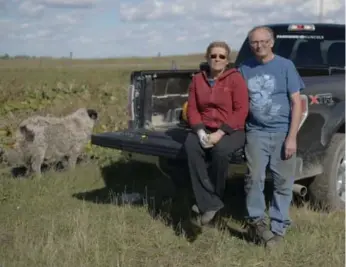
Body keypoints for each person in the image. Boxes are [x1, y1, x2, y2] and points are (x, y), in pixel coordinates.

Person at [238, 26, 305, 247]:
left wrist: (291, 137)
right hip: (256, 132)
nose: (259, 46)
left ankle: (278, 227)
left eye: (263, 41)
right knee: (253, 179)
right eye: (254, 43)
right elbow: (236, 100)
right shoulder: (245, 68)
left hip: (282, 132)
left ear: (272, 42)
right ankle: (257, 222)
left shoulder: (285, 66)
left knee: (283, 183)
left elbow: (297, 102)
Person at [184, 41, 249, 225]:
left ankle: (210, 201)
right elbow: (193, 109)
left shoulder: (235, 79)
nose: (217, 59)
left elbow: (241, 110)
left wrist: (220, 133)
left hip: (231, 128)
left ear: (227, 60)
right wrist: (199, 131)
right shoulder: (198, 79)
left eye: (221, 56)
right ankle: (211, 203)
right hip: (204, 127)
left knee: (220, 152)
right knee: (191, 147)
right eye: (213, 56)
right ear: (207, 58)